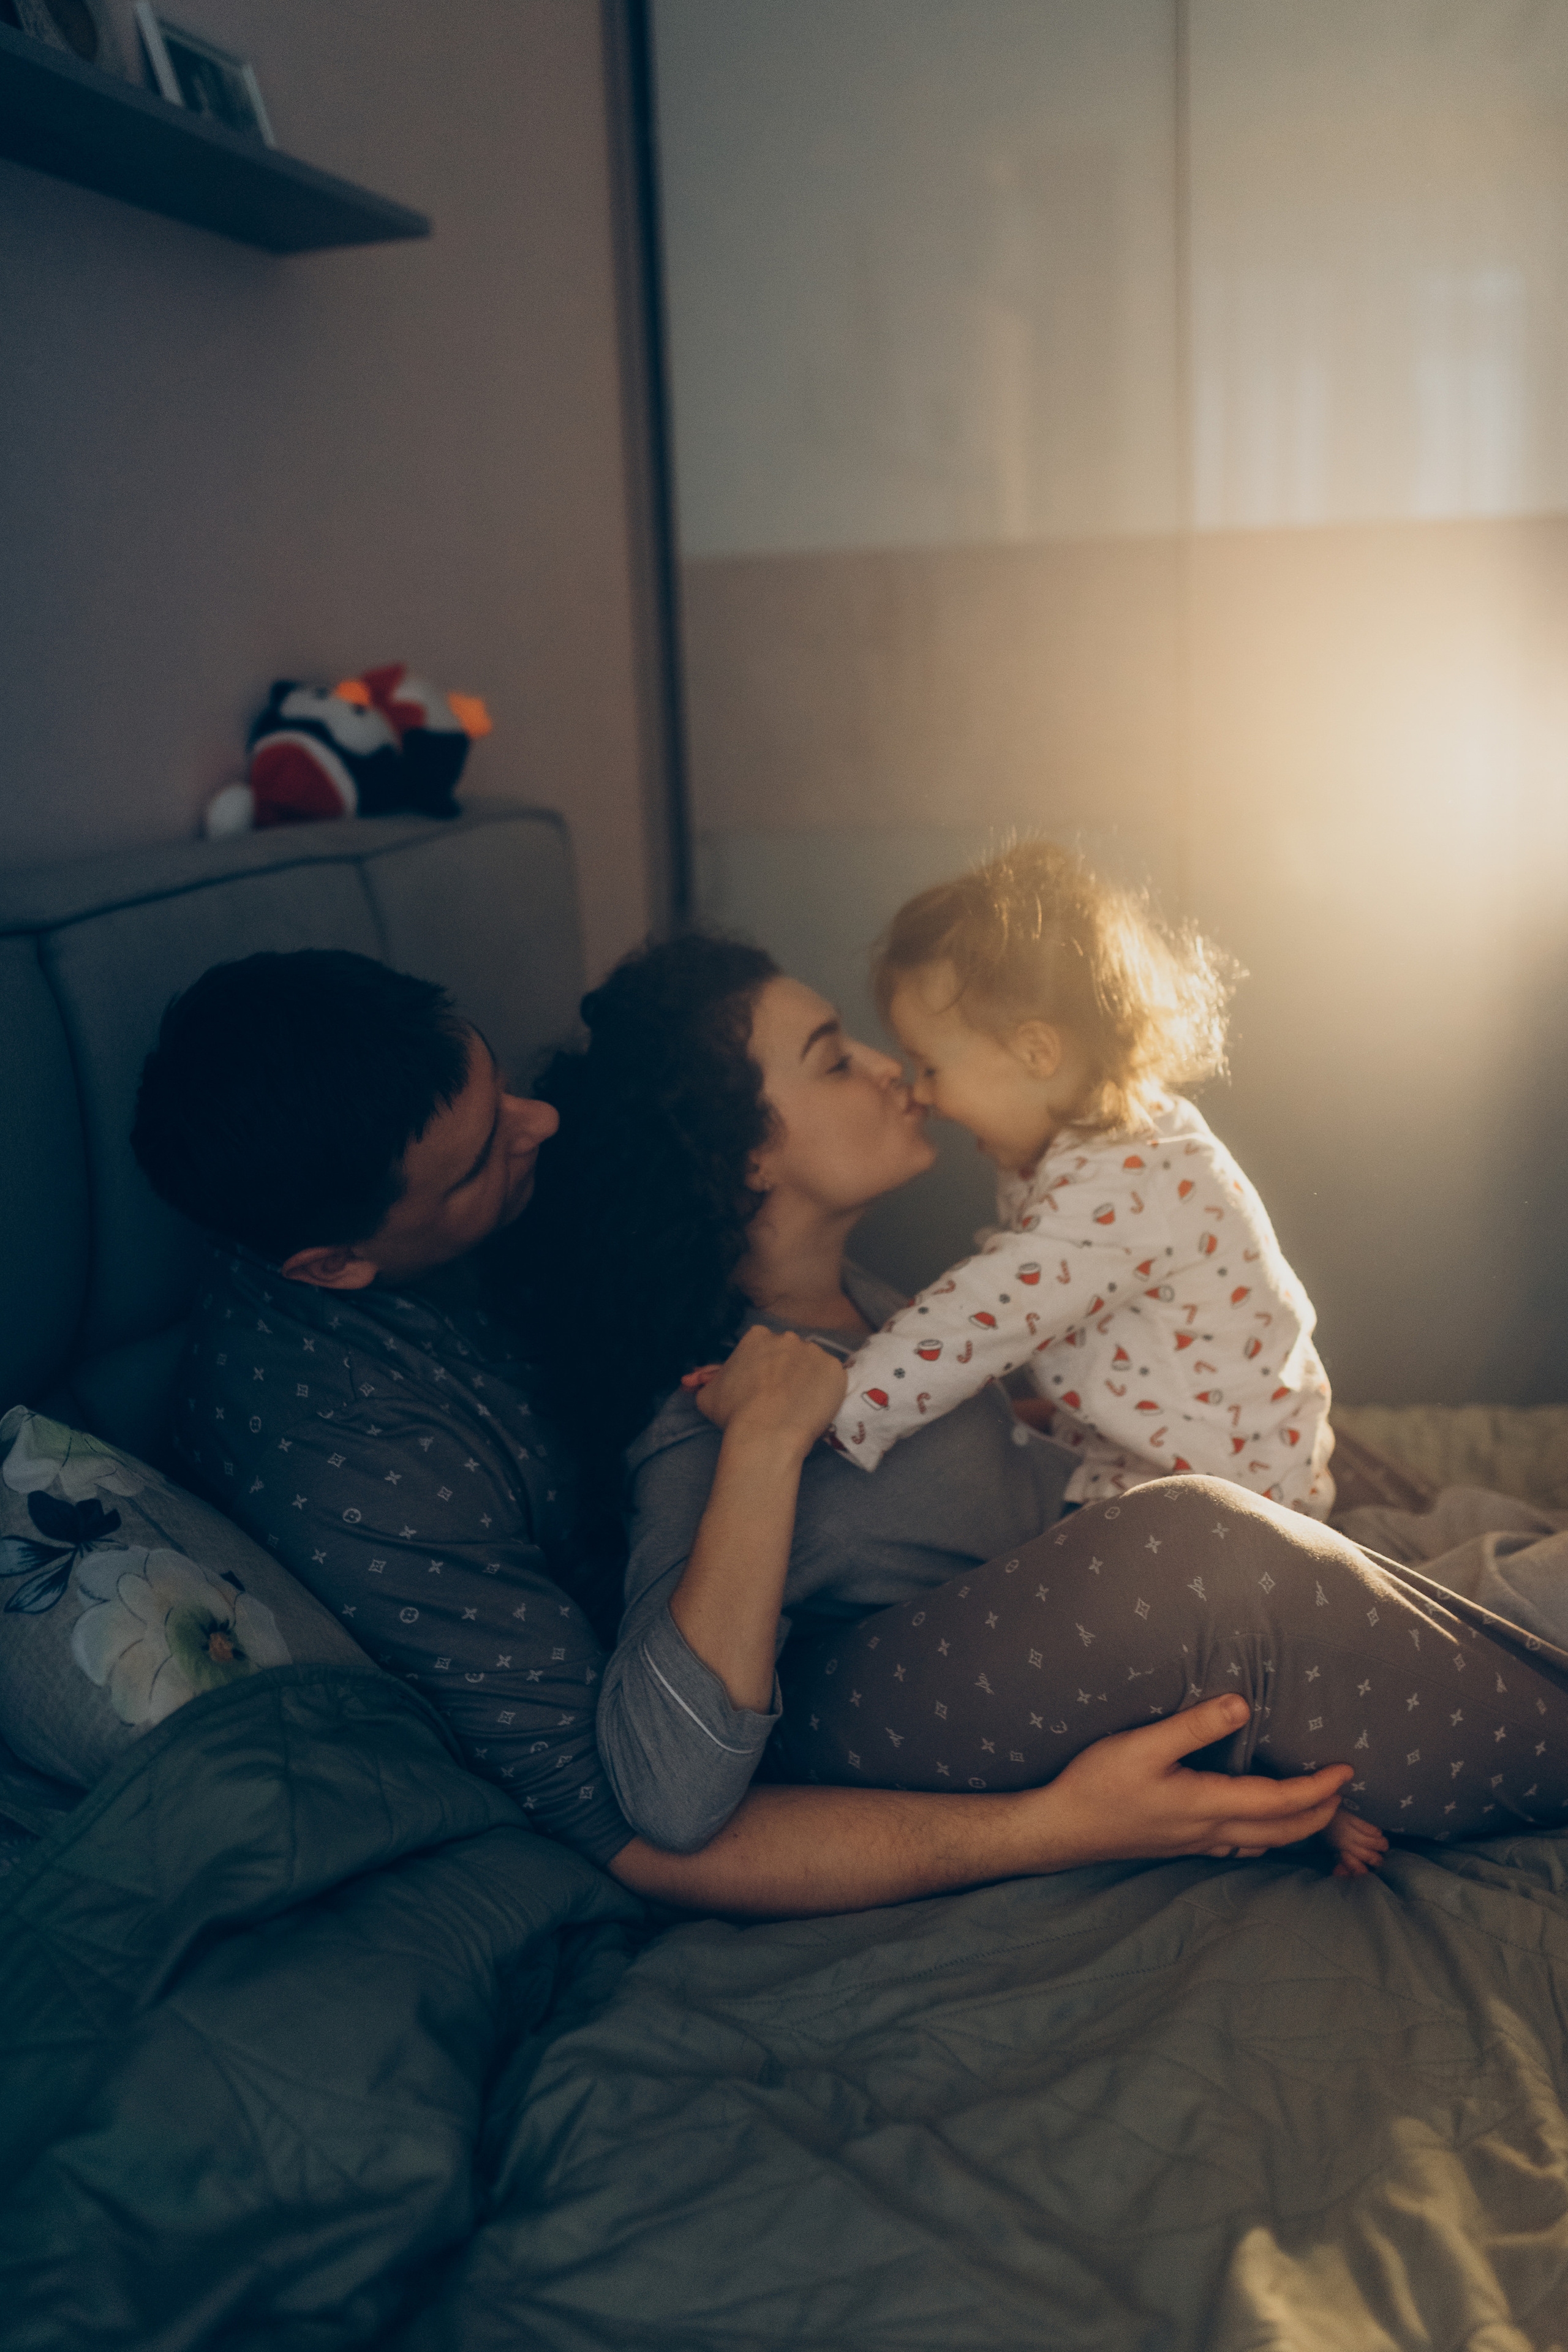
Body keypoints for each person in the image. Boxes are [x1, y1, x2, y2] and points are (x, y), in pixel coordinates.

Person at [132, 947, 1354, 1919]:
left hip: (1003, 1588)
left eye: (502, 1081)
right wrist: (1064, 1827)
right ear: (336, 1262)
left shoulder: (789, 1293)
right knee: (1228, 1551)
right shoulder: (354, 1452)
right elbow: (641, 1821)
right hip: (781, 1712)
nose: (542, 1127)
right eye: (476, 1158)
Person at [516, 935, 1568, 1875]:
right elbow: (666, 1793)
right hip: (1100, 1651)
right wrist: (763, 1441)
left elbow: (989, 1459)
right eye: (837, 1058)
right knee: (1235, 1541)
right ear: (743, 1154)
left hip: (1130, 1628)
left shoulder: (877, 1306)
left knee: (1467, 1543)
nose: (897, 1074)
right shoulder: (710, 1404)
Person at [823, 843, 1333, 1513]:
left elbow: (980, 1315)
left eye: (931, 1068)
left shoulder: (1129, 1180)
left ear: (1036, 1051)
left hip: (1226, 1514)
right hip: (1195, 1479)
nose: (922, 1096)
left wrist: (836, 1402)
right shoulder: (1099, 1146)